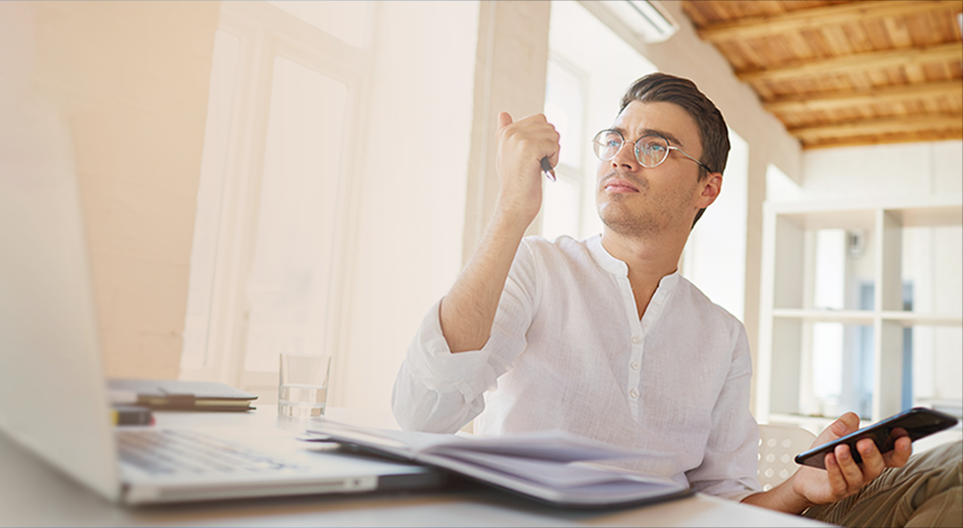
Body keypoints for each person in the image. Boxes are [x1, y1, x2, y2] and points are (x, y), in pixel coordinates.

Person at [391, 72, 962, 526]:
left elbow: (724, 509)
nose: (621, 156)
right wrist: (512, 210)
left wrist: (799, 489)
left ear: (707, 186)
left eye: (654, 147)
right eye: (615, 140)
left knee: (954, 470)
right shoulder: (536, 267)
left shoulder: (721, 334)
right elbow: (423, 414)